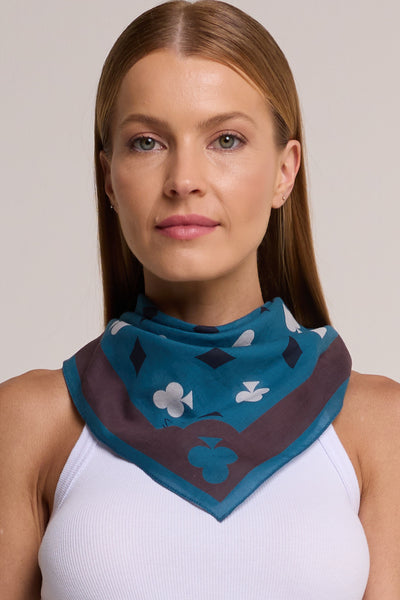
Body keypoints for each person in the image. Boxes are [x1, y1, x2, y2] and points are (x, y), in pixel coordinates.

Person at [0, 1, 399, 598]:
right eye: (146, 142)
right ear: (108, 178)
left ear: (285, 171)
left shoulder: (379, 425)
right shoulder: (28, 422)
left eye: (226, 139)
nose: (184, 179)